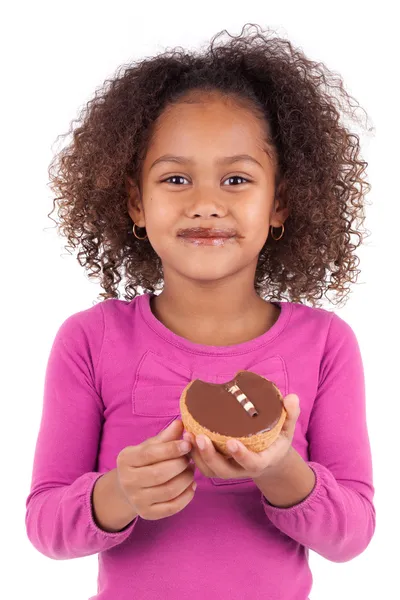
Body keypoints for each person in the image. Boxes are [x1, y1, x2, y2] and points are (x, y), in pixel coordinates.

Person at [25, 23, 375, 600]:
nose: (206, 203)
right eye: (176, 178)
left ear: (280, 201)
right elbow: (44, 526)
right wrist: (119, 495)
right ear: (137, 202)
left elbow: (353, 534)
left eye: (236, 179)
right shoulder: (89, 340)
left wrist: (279, 469)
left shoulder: (327, 343)